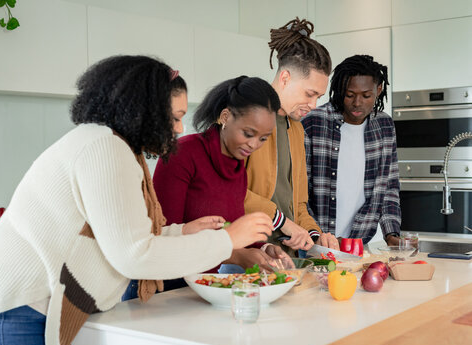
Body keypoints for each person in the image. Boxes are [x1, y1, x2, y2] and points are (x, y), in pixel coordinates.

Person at [0, 55, 273, 345]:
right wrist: (227, 240)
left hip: (15, 313)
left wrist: (182, 231)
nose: (179, 129)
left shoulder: (108, 145)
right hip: (9, 316)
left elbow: (122, 233)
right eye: (174, 118)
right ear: (144, 110)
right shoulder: (105, 148)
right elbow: (134, 254)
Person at [154, 76, 293, 274]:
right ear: (226, 117)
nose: (254, 145)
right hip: (170, 287)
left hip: (205, 288)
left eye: (263, 138)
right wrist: (234, 255)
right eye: (248, 133)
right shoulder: (182, 154)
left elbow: (231, 231)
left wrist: (263, 248)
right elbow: (163, 238)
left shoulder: (237, 167)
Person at [244, 18, 340, 256]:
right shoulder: (240, 115)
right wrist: (282, 222)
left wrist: (315, 236)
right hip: (246, 256)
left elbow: (298, 205)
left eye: (318, 96)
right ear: (285, 78)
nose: (314, 104)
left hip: (284, 260)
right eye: (310, 93)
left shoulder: (296, 129)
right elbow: (229, 191)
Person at [302, 54, 401, 245]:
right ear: (340, 91)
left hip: (359, 244)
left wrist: (391, 234)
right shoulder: (313, 122)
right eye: (350, 95)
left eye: (366, 95)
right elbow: (299, 193)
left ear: (378, 90)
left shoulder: (384, 125)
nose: (357, 103)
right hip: (317, 243)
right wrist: (317, 236)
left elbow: (389, 187)